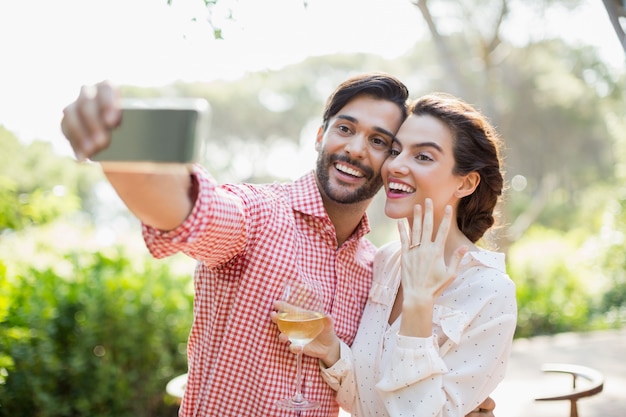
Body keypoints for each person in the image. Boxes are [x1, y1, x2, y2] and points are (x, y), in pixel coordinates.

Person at [60, 74, 497, 417]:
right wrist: (121, 148)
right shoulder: (259, 216)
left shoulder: (374, 269)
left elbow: (371, 389)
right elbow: (191, 209)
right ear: (320, 136)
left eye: (380, 141)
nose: (355, 149)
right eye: (345, 128)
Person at [280, 93, 517, 416]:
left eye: (423, 157)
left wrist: (419, 305)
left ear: (466, 183)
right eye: (395, 151)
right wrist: (334, 351)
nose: (395, 165)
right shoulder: (387, 261)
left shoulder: (490, 291)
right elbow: (369, 404)